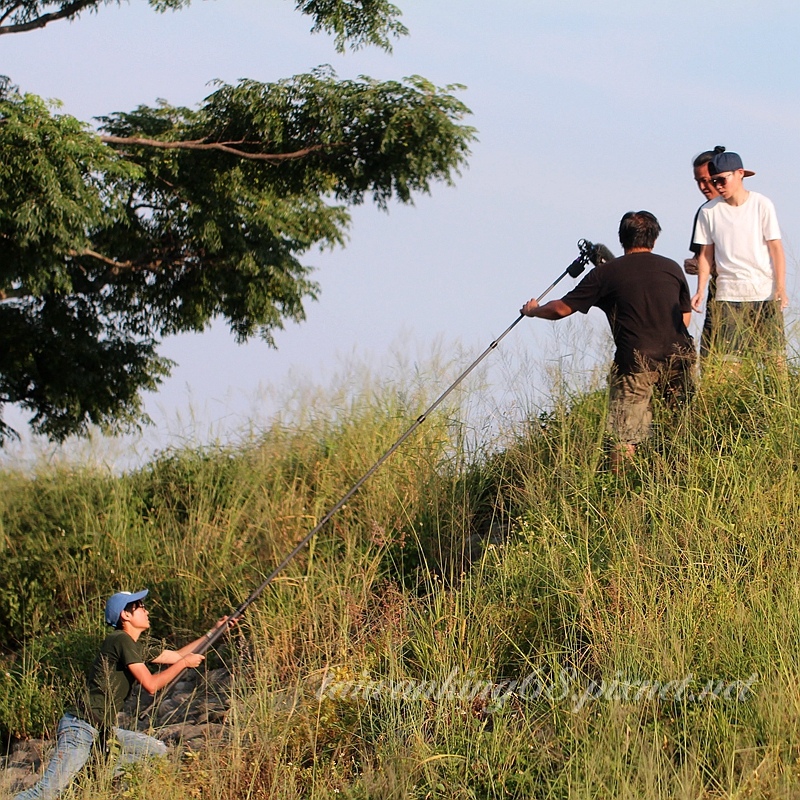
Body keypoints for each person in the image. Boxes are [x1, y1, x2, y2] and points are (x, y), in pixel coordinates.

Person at [14, 589, 230, 800]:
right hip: (81, 728)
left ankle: (90, 776)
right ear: (125, 615)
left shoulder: (132, 645)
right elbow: (151, 685)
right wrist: (184, 664)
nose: (146, 611)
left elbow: (177, 655)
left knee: (155, 751)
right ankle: (87, 775)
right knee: (44, 793)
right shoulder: (120, 640)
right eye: (140, 607)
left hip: (102, 731)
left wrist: (214, 631)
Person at [521, 211, 695, 468]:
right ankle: (676, 480)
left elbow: (561, 309)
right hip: (680, 358)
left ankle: (620, 494)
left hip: (635, 364)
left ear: (621, 238)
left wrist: (533, 310)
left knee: (625, 437)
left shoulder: (606, 274)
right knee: (679, 431)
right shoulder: (672, 268)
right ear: (655, 239)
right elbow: (685, 317)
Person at [690, 149, 787, 361]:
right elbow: (705, 255)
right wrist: (700, 289)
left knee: (775, 360)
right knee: (730, 362)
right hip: (728, 296)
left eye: (722, 180)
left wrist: (780, 287)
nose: (718, 186)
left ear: (740, 173)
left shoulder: (762, 204)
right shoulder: (708, 211)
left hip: (764, 293)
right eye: (714, 181)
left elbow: (776, 248)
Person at [684, 148, 722, 358]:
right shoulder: (705, 212)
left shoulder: (750, 207)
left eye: (706, 180)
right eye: (698, 181)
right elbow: (701, 258)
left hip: (747, 291)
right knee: (711, 350)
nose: (703, 187)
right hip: (717, 292)